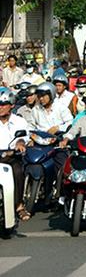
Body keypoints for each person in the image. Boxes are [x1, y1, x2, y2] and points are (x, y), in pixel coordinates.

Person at [0, 88, 30, 221]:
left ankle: (19, 205)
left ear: (11, 105)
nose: (0, 107)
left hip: (11, 156)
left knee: (17, 171)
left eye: (3, 104)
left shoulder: (19, 121)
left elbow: (24, 137)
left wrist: (20, 143)